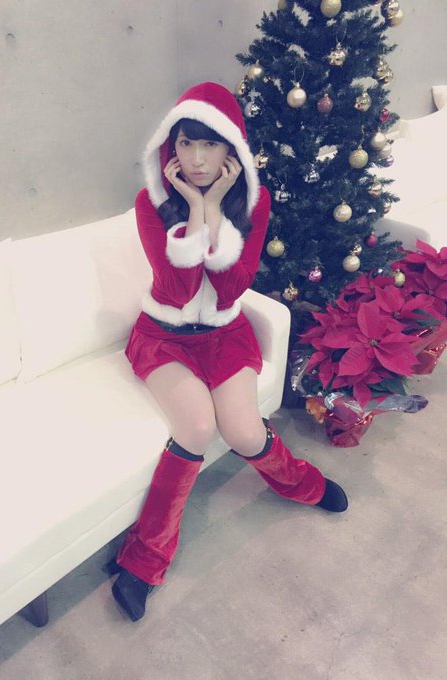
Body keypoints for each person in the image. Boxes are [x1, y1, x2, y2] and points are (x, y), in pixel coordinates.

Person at [106, 82, 348, 622]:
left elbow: (233, 287)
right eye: (186, 143)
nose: (196, 159)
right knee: (195, 428)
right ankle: (144, 560)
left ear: (231, 150)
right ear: (171, 147)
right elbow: (176, 291)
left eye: (210, 145)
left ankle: (303, 484)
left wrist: (214, 208)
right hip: (163, 336)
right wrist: (195, 209)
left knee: (243, 432)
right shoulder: (150, 204)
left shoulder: (254, 204)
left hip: (225, 335)